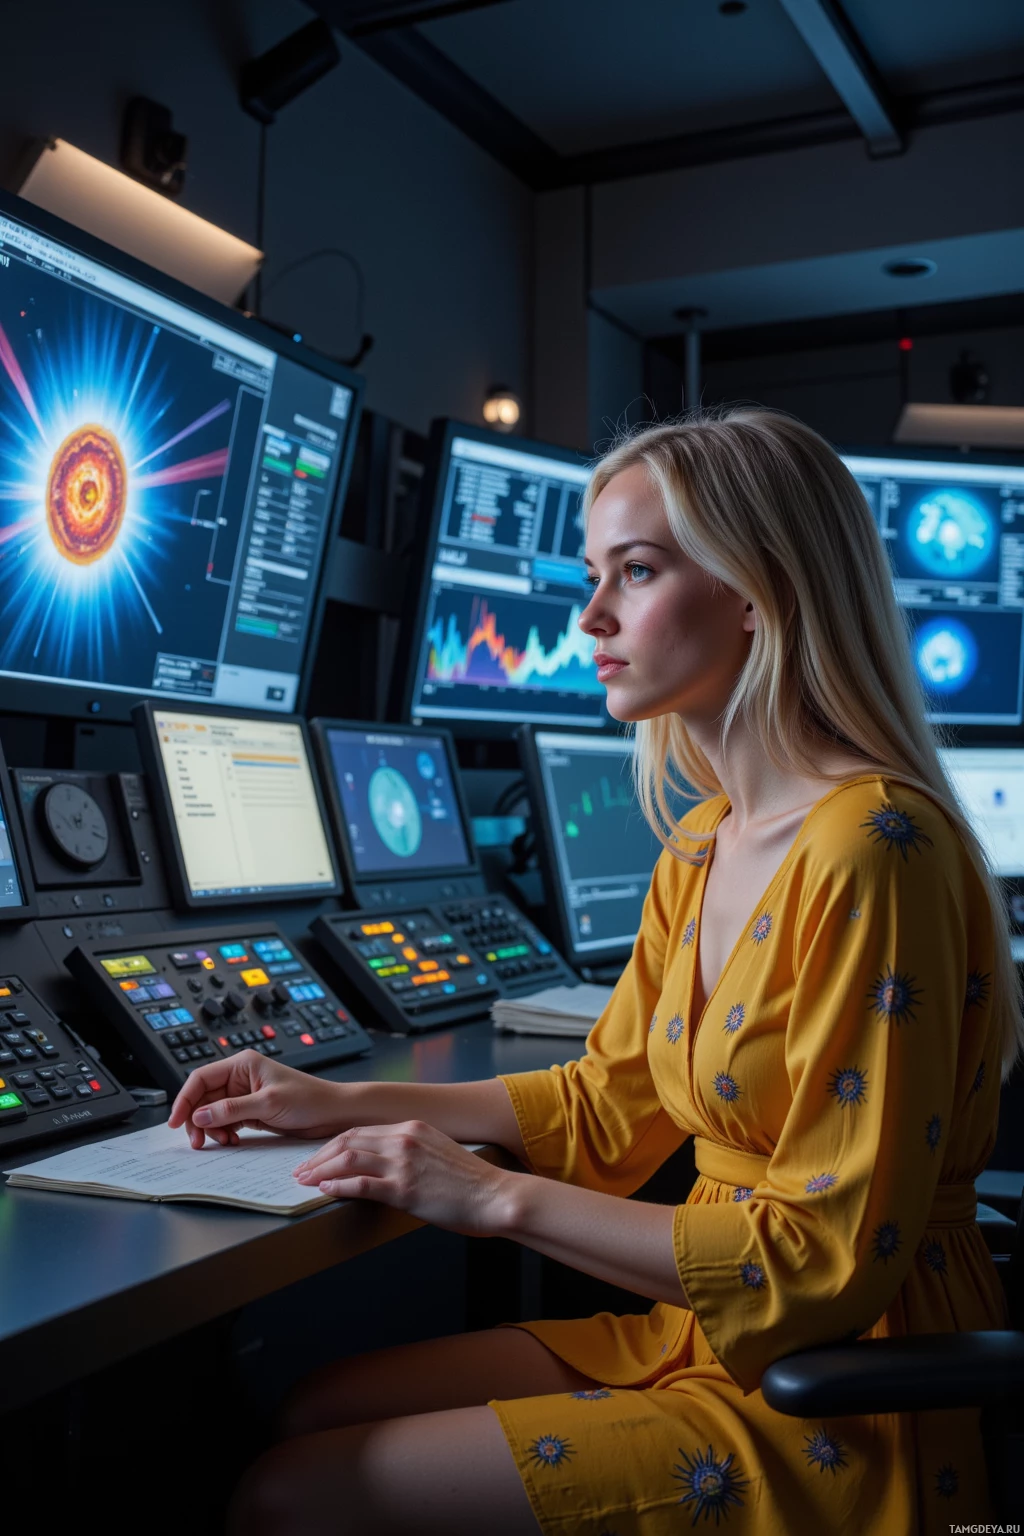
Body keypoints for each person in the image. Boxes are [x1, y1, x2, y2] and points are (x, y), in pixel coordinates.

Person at [169, 408, 1019, 1536]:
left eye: (639, 571)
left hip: (842, 1378)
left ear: (762, 591)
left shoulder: (872, 851)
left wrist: (489, 1196)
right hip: (702, 1328)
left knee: (292, 1497)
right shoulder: (706, 840)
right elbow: (605, 1105)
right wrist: (338, 1097)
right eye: (593, 573)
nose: (590, 617)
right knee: (313, 1404)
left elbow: (822, 1261)